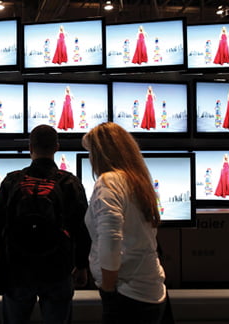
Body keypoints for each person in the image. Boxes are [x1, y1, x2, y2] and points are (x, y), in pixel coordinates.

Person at [0, 124, 90, 324]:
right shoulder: (69, 183)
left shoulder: (12, 181)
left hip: (17, 269)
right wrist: (82, 265)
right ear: (56, 147)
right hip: (58, 269)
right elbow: (82, 229)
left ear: (30, 147)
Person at [81, 122, 166, 324]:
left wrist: (108, 288)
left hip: (126, 293)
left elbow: (110, 240)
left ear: (102, 153)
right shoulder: (138, 180)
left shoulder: (109, 181)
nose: (90, 158)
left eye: (91, 152)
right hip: (150, 288)